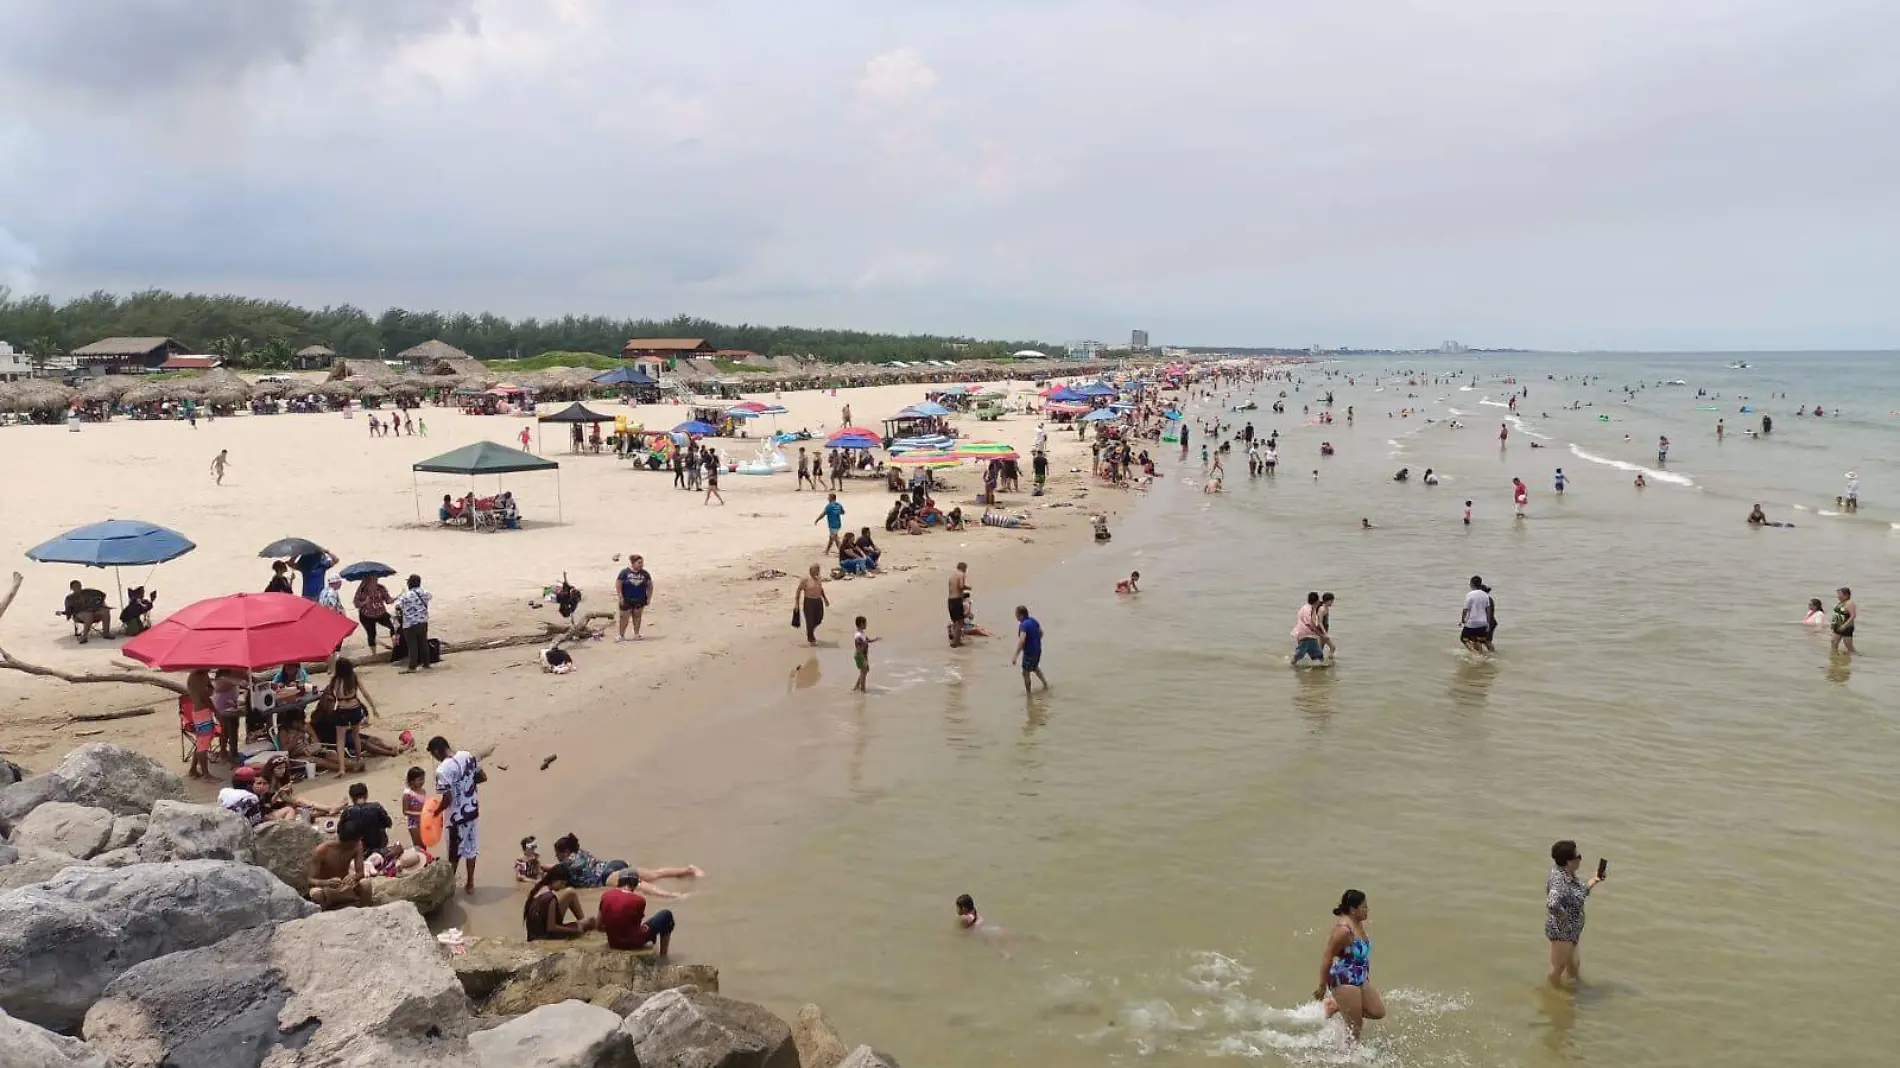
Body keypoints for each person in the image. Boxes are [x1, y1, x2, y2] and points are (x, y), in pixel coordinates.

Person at [1315, 890, 1383, 1043]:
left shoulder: (1358, 923)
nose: (1367, 910)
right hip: (1344, 978)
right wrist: (1321, 986)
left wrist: (1366, 976)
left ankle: (1335, 1005)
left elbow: (1362, 956)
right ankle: (1347, 1057)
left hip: (1360, 976)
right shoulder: (1343, 931)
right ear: (1353, 910)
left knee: (1378, 1012)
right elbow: (1327, 957)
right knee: (1355, 1026)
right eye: (1364, 907)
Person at [552, 832, 702, 897]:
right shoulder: (581, 852)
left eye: (557, 854)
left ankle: (673, 896)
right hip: (614, 864)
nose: (556, 857)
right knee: (656, 873)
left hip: (606, 877)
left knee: (637, 884)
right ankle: (688, 870)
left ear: (565, 852)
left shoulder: (566, 864)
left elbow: (556, 877)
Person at [429, 735, 485, 894]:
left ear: (436, 751)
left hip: (456, 818)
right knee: (471, 849)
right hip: (472, 811)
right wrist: (465, 784)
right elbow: (482, 777)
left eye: (434, 756)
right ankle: (470, 883)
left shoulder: (442, 770)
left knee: (454, 854)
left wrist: (436, 812)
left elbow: (447, 799)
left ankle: (449, 888)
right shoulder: (467, 756)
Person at [1546, 840, 1604, 987]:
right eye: (1578, 856)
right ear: (1568, 861)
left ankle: (1573, 991)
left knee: (1574, 966)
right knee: (1557, 968)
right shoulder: (1559, 880)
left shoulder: (1569, 874)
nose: (1580, 859)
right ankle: (1552, 996)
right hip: (1562, 932)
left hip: (1572, 931)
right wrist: (1563, 917)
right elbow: (1552, 904)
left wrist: (1594, 880)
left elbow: (1577, 894)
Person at [322, 657, 377, 774]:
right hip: (354, 708)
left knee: (340, 741)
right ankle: (358, 759)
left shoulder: (335, 680)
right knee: (356, 736)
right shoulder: (353, 678)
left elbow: (330, 695)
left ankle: (342, 768)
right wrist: (373, 707)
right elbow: (365, 693)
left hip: (341, 709)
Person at [599, 883, 677, 955]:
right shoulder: (639, 900)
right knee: (666, 915)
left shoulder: (606, 895)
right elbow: (637, 925)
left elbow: (598, 926)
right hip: (632, 942)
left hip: (613, 943)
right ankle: (663, 955)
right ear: (634, 884)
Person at [523, 866, 597, 940]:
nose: (563, 886)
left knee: (570, 893)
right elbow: (551, 928)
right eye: (562, 883)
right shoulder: (550, 897)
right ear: (554, 879)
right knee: (591, 921)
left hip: (536, 934)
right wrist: (575, 931)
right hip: (546, 936)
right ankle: (583, 923)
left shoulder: (537, 891)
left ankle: (581, 921)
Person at [337, 781, 394, 875]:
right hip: (378, 848)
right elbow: (388, 823)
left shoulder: (347, 812)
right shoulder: (376, 807)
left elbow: (340, 833)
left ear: (352, 797)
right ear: (366, 794)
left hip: (357, 852)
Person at [308, 839, 373, 910]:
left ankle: (364, 910)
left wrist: (354, 877)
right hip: (326, 890)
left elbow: (360, 873)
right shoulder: (322, 850)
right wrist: (326, 882)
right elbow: (310, 880)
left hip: (345, 886)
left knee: (366, 884)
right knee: (316, 894)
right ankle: (324, 913)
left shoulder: (356, 845)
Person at [394, 574, 433, 672]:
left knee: (412, 645)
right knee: (423, 642)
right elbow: (429, 597)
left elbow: (398, 606)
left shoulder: (405, 596)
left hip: (410, 623)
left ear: (409, 583)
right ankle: (426, 663)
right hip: (423, 621)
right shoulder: (425, 592)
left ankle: (412, 666)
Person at [615, 554, 653, 642]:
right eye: (639, 563)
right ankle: (621, 635)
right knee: (624, 617)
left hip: (640, 598)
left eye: (642, 563)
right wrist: (620, 596)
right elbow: (618, 584)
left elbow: (650, 586)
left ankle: (636, 634)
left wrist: (648, 598)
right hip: (626, 598)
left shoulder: (645, 574)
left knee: (637, 616)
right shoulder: (624, 572)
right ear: (633, 563)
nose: (641, 565)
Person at [1012, 605, 1048, 695]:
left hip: (1029, 652)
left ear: (1021, 615)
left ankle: (1029, 694)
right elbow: (1041, 633)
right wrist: (1035, 641)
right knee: (1035, 667)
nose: (1015, 616)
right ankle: (1046, 684)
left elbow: (1022, 640)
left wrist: (1015, 655)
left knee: (1025, 672)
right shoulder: (1033, 620)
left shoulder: (1024, 625)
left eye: (1016, 614)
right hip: (1038, 649)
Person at [353, 574, 394, 651]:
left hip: (381, 613)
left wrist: (391, 600)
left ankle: (396, 645)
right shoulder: (362, 590)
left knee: (395, 627)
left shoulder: (381, 588)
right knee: (371, 635)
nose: (375, 580)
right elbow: (356, 604)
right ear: (367, 580)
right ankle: (373, 652)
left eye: (376, 578)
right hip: (366, 616)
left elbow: (387, 599)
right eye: (373, 579)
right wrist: (364, 602)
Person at [1461, 576, 1495, 656]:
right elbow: (1488, 611)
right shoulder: (1486, 596)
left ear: (1471, 584)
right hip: (1483, 623)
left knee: (1463, 639)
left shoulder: (1470, 594)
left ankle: (1476, 654)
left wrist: (1463, 620)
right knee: (1479, 640)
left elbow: (1466, 609)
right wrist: (1488, 623)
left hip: (1472, 622)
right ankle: (1489, 654)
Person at [1290, 591, 1327, 665]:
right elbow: (1309, 624)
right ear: (1316, 601)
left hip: (1311, 636)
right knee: (1299, 654)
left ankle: (1323, 666)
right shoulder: (1307, 610)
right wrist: (1321, 635)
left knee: (1318, 654)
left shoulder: (1310, 608)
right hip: (1305, 635)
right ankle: (1291, 665)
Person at [795, 564, 828, 645]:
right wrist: (796, 604)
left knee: (819, 619)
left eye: (818, 570)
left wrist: (825, 599)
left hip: (818, 601)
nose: (817, 572)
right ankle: (811, 637)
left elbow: (821, 589)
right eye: (815, 570)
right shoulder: (805, 579)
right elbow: (798, 590)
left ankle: (810, 631)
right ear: (811, 571)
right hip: (809, 601)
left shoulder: (819, 578)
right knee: (810, 621)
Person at [402, 766, 430, 848]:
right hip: (414, 824)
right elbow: (405, 811)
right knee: (418, 846)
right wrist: (420, 814)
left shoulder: (423, 791)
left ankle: (425, 860)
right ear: (412, 781)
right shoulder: (408, 794)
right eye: (420, 779)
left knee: (424, 845)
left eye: (423, 779)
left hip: (424, 822)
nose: (422, 781)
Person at [948, 562, 971, 648]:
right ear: (964, 568)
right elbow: (961, 586)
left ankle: (957, 640)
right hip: (957, 600)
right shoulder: (961, 575)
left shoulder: (952, 576)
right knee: (960, 621)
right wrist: (968, 587)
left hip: (950, 600)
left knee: (954, 621)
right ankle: (955, 642)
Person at [853, 615, 877, 692]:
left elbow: (867, 640)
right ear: (861, 624)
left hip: (863, 655)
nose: (866, 625)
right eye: (865, 623)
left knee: (864, 671)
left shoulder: (862, 633)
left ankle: (856, 687)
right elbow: (859, 646)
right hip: (860, 655)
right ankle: (863, 689)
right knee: (864, 672)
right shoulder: (858, 636)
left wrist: (875, 640)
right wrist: (863, 658)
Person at [1830, 587, 1857, 654]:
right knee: (1833, 642)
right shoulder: (1841, 603)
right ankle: (1835, 657)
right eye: (1838, 594)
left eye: (1840, 594)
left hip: (1846, 627)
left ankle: (1858, 657)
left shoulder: (1849, 603)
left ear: (1846, 595)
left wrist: (1844, 625)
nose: (1838, 596)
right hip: (1838, 626)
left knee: (1849, 646)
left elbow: (1853, 615)